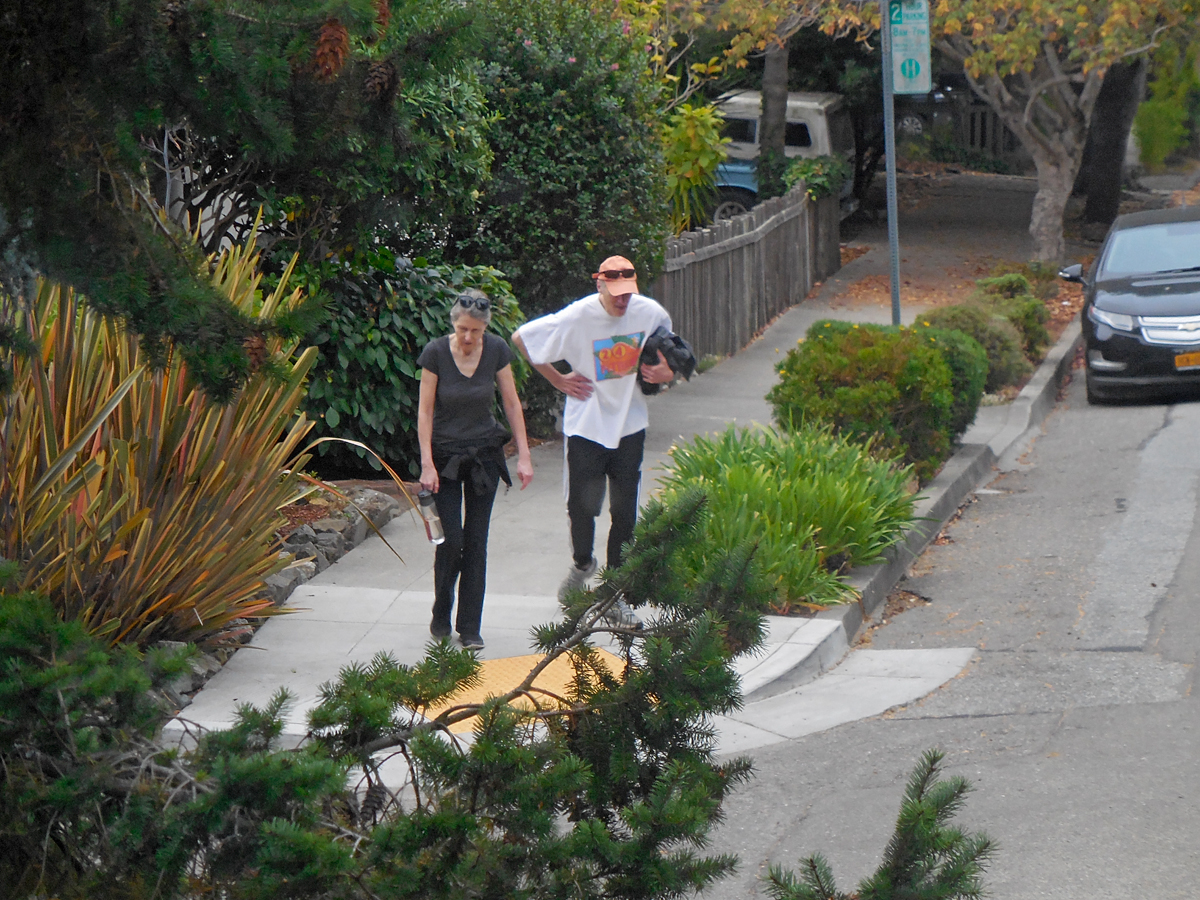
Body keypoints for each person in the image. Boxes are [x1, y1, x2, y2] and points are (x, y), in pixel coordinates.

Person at [512, 255, 675, 625]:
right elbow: (521, 337)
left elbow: (671, 351)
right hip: (586, 426)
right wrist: (557, 379)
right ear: (599, 284)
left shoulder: (649, 313)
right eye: (615, 293)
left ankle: (613, 594)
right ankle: (582, 565)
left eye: (628, 294)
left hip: (631, 424)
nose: (623, 301)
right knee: (583, 508)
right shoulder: (578, 316)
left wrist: (665, 370)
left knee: (625, 513)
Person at [417, 289, 533, 650]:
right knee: (451, 541)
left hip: (484, 456)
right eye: (463, 329)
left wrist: (524, 454)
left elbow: (512, 404)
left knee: (477, 543)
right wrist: (426, 464)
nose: (468, 337)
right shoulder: (436, 353)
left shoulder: (497, 350)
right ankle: (441, 610)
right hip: (445, 458)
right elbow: (424, 411)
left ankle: (470, 627)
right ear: (454, 323)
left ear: (485, 329)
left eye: (476, 331)